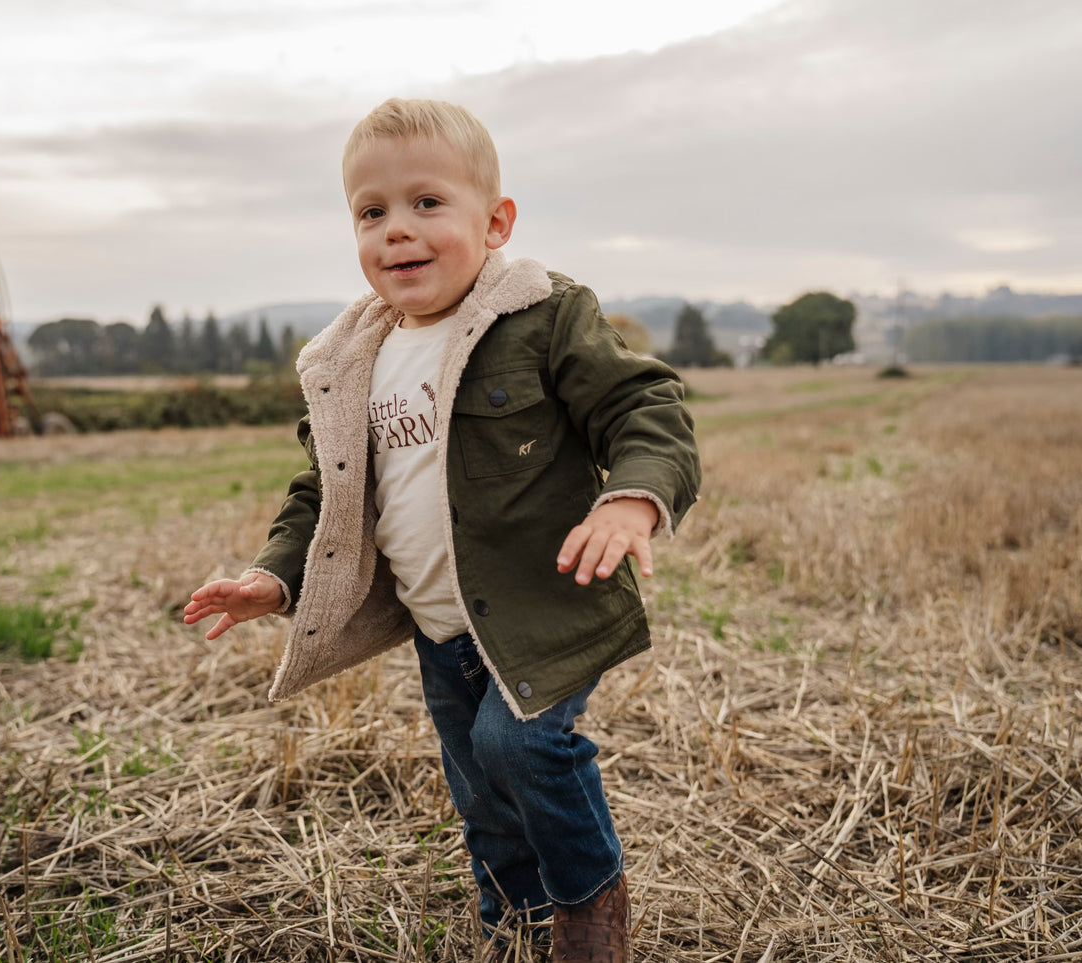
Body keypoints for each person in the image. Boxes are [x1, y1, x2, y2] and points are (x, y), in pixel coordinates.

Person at [184, 98, 700, 962]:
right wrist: (278, 577)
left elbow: (643, 405)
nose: (397, 231)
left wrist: (631, 498)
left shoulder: (541, 316)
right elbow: (324, 491)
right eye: (371, 212)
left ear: (494, 222)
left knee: (520, 741)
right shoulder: (351, 360)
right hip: (439, 628)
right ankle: (511, 920)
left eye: (427, 204)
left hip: (545, 606)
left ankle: (587, 902)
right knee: (480, 789)